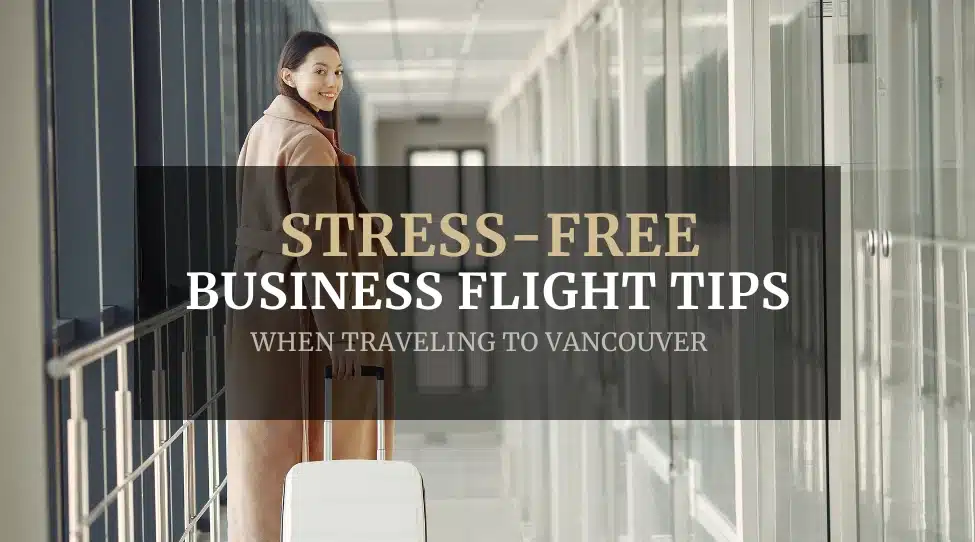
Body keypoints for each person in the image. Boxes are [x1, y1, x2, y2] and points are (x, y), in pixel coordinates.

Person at [224, 30, 393, 542]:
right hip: (302, 317)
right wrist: (342, 334)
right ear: (289, 75)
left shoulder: (262, 130)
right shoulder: (308, 144)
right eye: (319, 70)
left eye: (337, 72)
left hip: (259, 301)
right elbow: (320, 250)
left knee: (262, 448)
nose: (331, 83)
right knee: (314, 445)